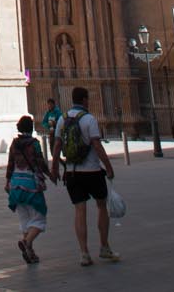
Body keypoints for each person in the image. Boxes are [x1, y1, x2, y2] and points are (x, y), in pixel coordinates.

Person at [49, 85, 118, 267]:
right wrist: (108, 167)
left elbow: (57, 146)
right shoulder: (89, 119)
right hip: (92, 171)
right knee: (101, 206)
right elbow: (97, 145)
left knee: (80, 211)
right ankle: (104, 246)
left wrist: (54, 168)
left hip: (72, 172)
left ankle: (84, 253)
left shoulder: (62, 120)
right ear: (85, 100)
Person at [5, 114, 51, 264]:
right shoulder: (34, 143)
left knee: (25, 222)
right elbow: (40, 162)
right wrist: (50, 174)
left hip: (16, 186)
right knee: (39, 218)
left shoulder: (14, 144)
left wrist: (7, 181)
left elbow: (10, 164)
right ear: (31, 128)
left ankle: (30, 253)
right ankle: (26, 242)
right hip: (30, 185)